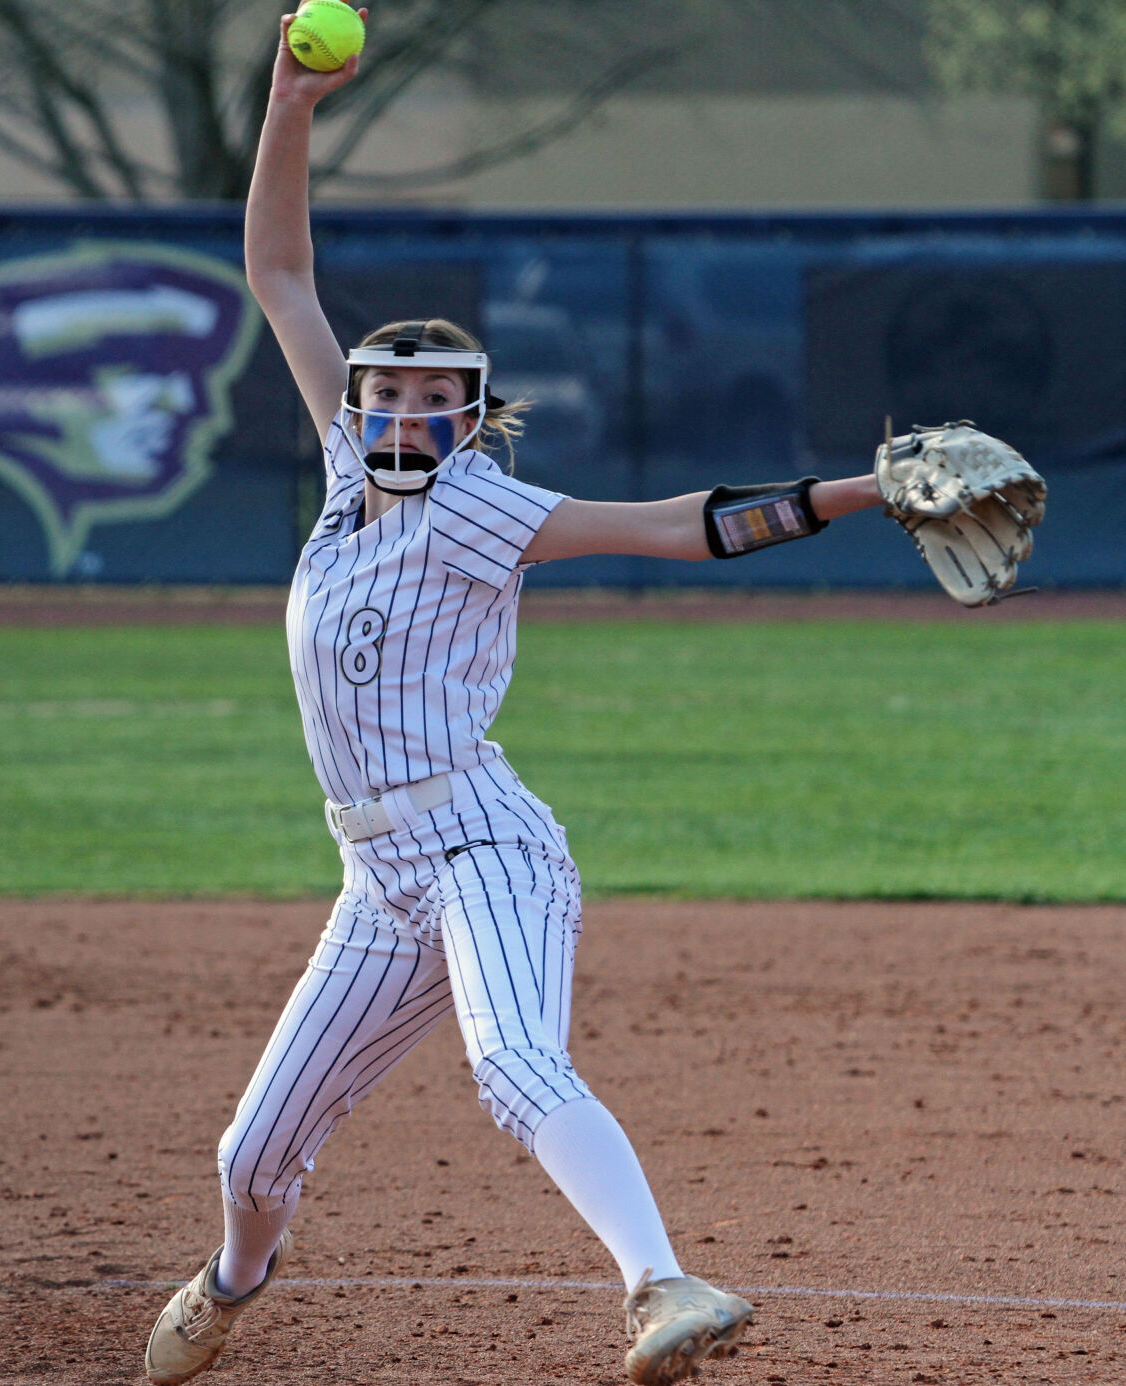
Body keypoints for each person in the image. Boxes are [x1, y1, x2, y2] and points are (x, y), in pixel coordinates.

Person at [144, 10, 886, 1384]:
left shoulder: (482, 508)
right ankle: (233, 1283)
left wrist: (864, 489)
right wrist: (287, 103)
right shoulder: (344, 490)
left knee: (515, 1067)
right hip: (377, 879)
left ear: (473, 421)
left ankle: (663, 1284)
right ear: (357, 411)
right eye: (389, 397)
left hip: (486, 844)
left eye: (438, 402)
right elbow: (278, 270)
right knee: (250, 1152)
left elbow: (683, 526)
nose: (408, 418)